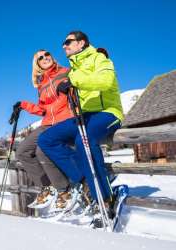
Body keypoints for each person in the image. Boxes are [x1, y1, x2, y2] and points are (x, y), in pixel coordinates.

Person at [38, 31, 124, 210]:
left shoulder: (99, 58)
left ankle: (106, 198)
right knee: (46, 139)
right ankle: (85, 179)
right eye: (64, 43)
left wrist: (74, 80)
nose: (64, 46)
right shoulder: (74, 68)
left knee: (83, 140)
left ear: (81, 43)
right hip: (84, 116)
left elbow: (106, 80)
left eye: (68, 42)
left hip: (107, 112)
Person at [10, 49, 73, 207]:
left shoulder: (67, 72)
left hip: (64, 119)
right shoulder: (42, 84)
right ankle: (47, 186)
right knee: (22, 151)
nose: (45, 58)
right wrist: (23, 105)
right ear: (37, 64)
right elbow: (43, 109)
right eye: (40, 58)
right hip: (47, 123)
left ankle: (64, 189)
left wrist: (70, 86)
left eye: (47, 55)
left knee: (41, 150)